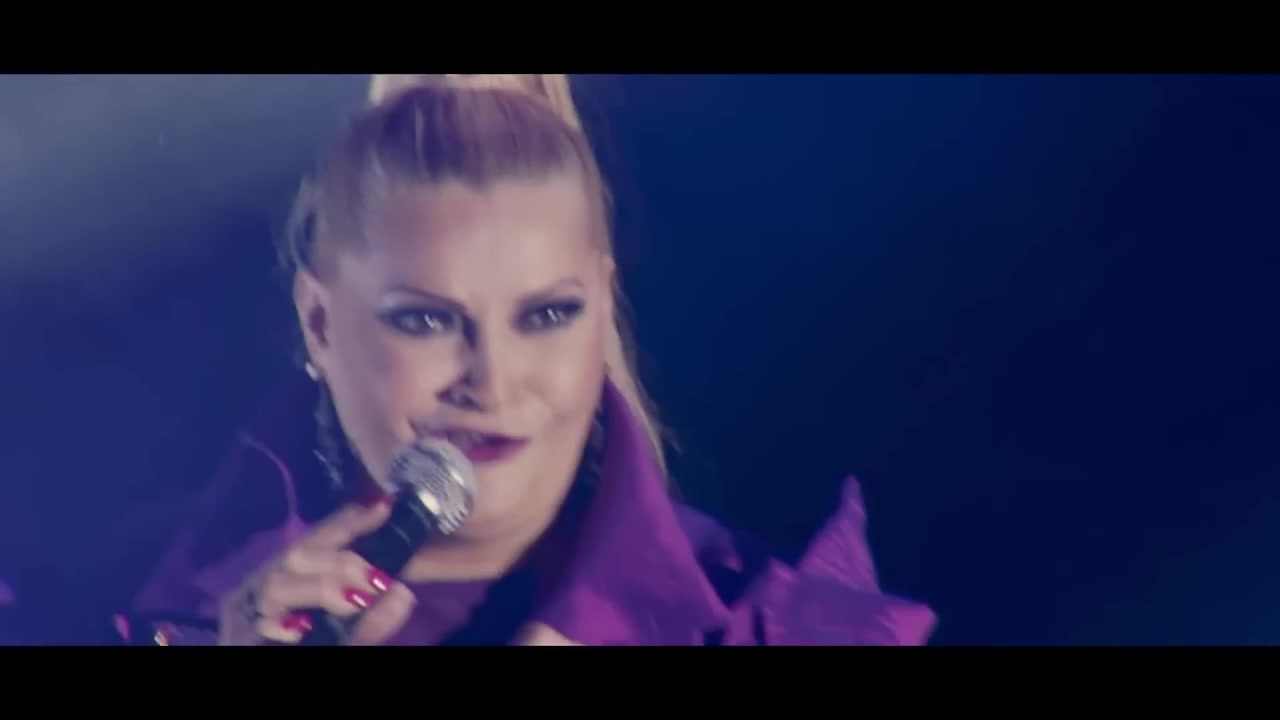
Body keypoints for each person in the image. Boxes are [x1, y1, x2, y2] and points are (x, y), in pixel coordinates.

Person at [127, 74, 936, 646]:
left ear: (602, 305)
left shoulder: (767, 624)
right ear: (319, 323)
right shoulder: (143, 603)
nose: (495, 379)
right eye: (426, 320)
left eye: (546, 315)